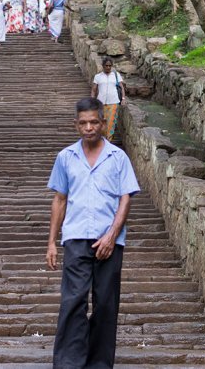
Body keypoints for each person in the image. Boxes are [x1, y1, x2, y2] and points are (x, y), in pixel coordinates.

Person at [47, 97, 140, 369]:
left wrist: (112, 235)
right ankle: (68, 363)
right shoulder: (66, 157)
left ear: (103, 122)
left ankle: (99, 363)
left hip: (109, 241)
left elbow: (126, 198)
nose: (89, 127)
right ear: (75, 125)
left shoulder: (118, 157)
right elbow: (60, 199)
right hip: (75, 238)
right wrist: (52, 242)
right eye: (83, 123)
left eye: (94, 122)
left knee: (106, 303)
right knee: (73, 300)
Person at [92, 57, 126, 140]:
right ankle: (102, 139)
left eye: (110, 66)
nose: (108, 67)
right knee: (101, 123)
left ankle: (108, 141)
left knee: (111, 124)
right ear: (103, 66)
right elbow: (94, 90)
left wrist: (123, 98)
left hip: (113, 102)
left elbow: (121, 87)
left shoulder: (116, 75)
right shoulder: (98, 76)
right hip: (101, 103)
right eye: (106, 65)